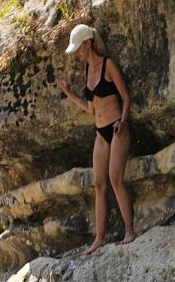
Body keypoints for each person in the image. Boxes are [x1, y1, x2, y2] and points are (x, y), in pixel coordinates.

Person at [57, 22, 135, 249]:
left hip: (117, 128)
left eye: (78, 49)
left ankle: (129, 231)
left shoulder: (107, 64)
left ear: (87, 44)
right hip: (101, 132)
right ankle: (100, 237)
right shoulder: (87, 71)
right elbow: (91, 109)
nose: (77, 54)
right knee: (98, 184)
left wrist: (123, 121)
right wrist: (69, 93)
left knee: (115, 178)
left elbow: (125, 97)